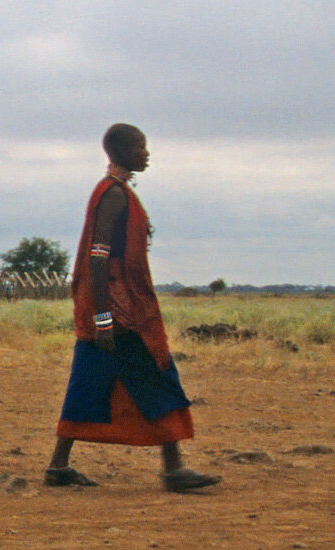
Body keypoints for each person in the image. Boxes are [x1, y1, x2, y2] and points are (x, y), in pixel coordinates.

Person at [46, 123, 219, 492]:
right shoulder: (113, 195)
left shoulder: (115, 191)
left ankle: (58, 465)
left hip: (112, 306)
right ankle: (173, 469)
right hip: (121, 311)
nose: (147, 153)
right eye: (141, 147)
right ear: (121, 152)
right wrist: (105, 317)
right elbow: (98, 256)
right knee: (156, 373)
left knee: (89, 383)